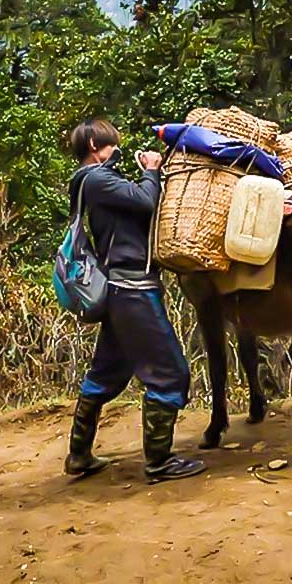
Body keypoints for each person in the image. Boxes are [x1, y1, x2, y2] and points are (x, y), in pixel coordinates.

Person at [62, 118, 206, 482]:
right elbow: (145, 201)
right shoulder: (95, 179)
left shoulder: (89, 183)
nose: (117, 151)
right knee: (170, 373)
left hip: (118, 290)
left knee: (106, 373)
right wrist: (152, 170)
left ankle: (78, 455)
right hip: (132, 290)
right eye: (112, 145)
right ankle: (159, 462)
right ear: (95, 144)